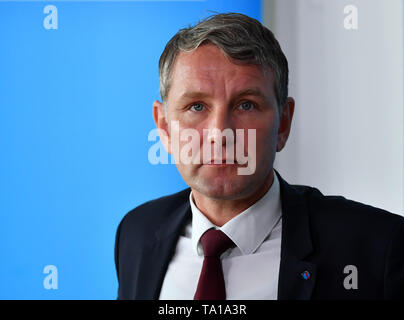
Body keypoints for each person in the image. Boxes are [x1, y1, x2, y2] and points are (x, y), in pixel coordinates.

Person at [114, 12, 404, 300]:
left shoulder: (378, 247)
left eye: (246, 105)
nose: (220, 133)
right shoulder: (136, 232)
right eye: (197, 107)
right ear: (164, 127)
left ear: (284, 124)